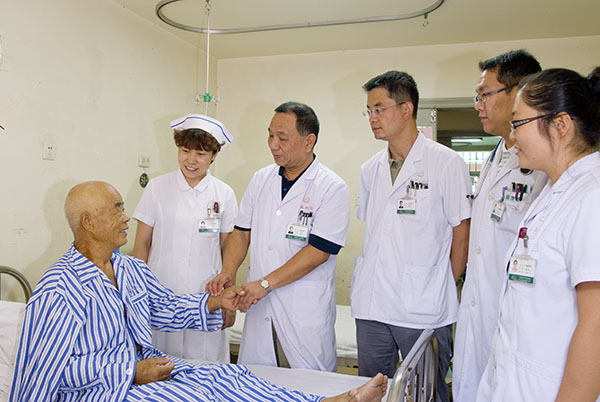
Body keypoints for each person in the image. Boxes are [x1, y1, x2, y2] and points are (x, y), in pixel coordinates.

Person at [10, 181, 387, 402]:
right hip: (103, 391)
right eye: (117, 210)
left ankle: (325, 401)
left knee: (228, 378)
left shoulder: (127, 269)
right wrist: (130, 371)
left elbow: (165, 307)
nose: (126, 218)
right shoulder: (59, 288)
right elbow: (45, 370)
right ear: (88, 222)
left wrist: (215, 301)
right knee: (193, 396)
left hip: (147, 369)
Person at [476, 67, 600, 401]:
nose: (512, 135)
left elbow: (596, 326)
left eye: (518, 123)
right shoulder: (551, 191)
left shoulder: (592, 197)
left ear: (560, 125)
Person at [350, 70, 472, 402]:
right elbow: (379, 234)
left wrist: (440, 283)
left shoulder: (445, 163)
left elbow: (462, 233)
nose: (372, 118)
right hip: (372, 304)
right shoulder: (370, 169)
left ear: (407, 109)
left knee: (426, 394)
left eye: (379, 109)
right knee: (371, 392)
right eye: (369, 111)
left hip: (423, 305)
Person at [206, 102, 350, 372]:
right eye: (270, 135)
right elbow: (241, 232)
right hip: (260, 306)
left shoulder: (331, 187)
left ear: (309, 141)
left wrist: (265, 284)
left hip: (302, 309)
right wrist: (228, 271)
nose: (273, 144)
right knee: (257, 383)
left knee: (307, 386)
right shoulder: (261, 179)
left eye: (282, 138)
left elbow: (318, 252)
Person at [452, 50, 548, 402]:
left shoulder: (544, 167)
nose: (478, 105)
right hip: (479, 311)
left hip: (515, 320)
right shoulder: (497, 156)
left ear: (519, 92)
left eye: (485, 94)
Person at [132, 114, 238, 363]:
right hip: (161, 293)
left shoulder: (224, 193)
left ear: (214, 155)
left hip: (207, 294)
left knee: (205, 367)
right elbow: (142, 245)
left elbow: (229, 248)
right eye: (185, 151)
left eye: (200, 154)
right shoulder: (157, 188)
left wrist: (229, 296)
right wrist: (135, 294)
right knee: (160, 366)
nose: (191, 160)